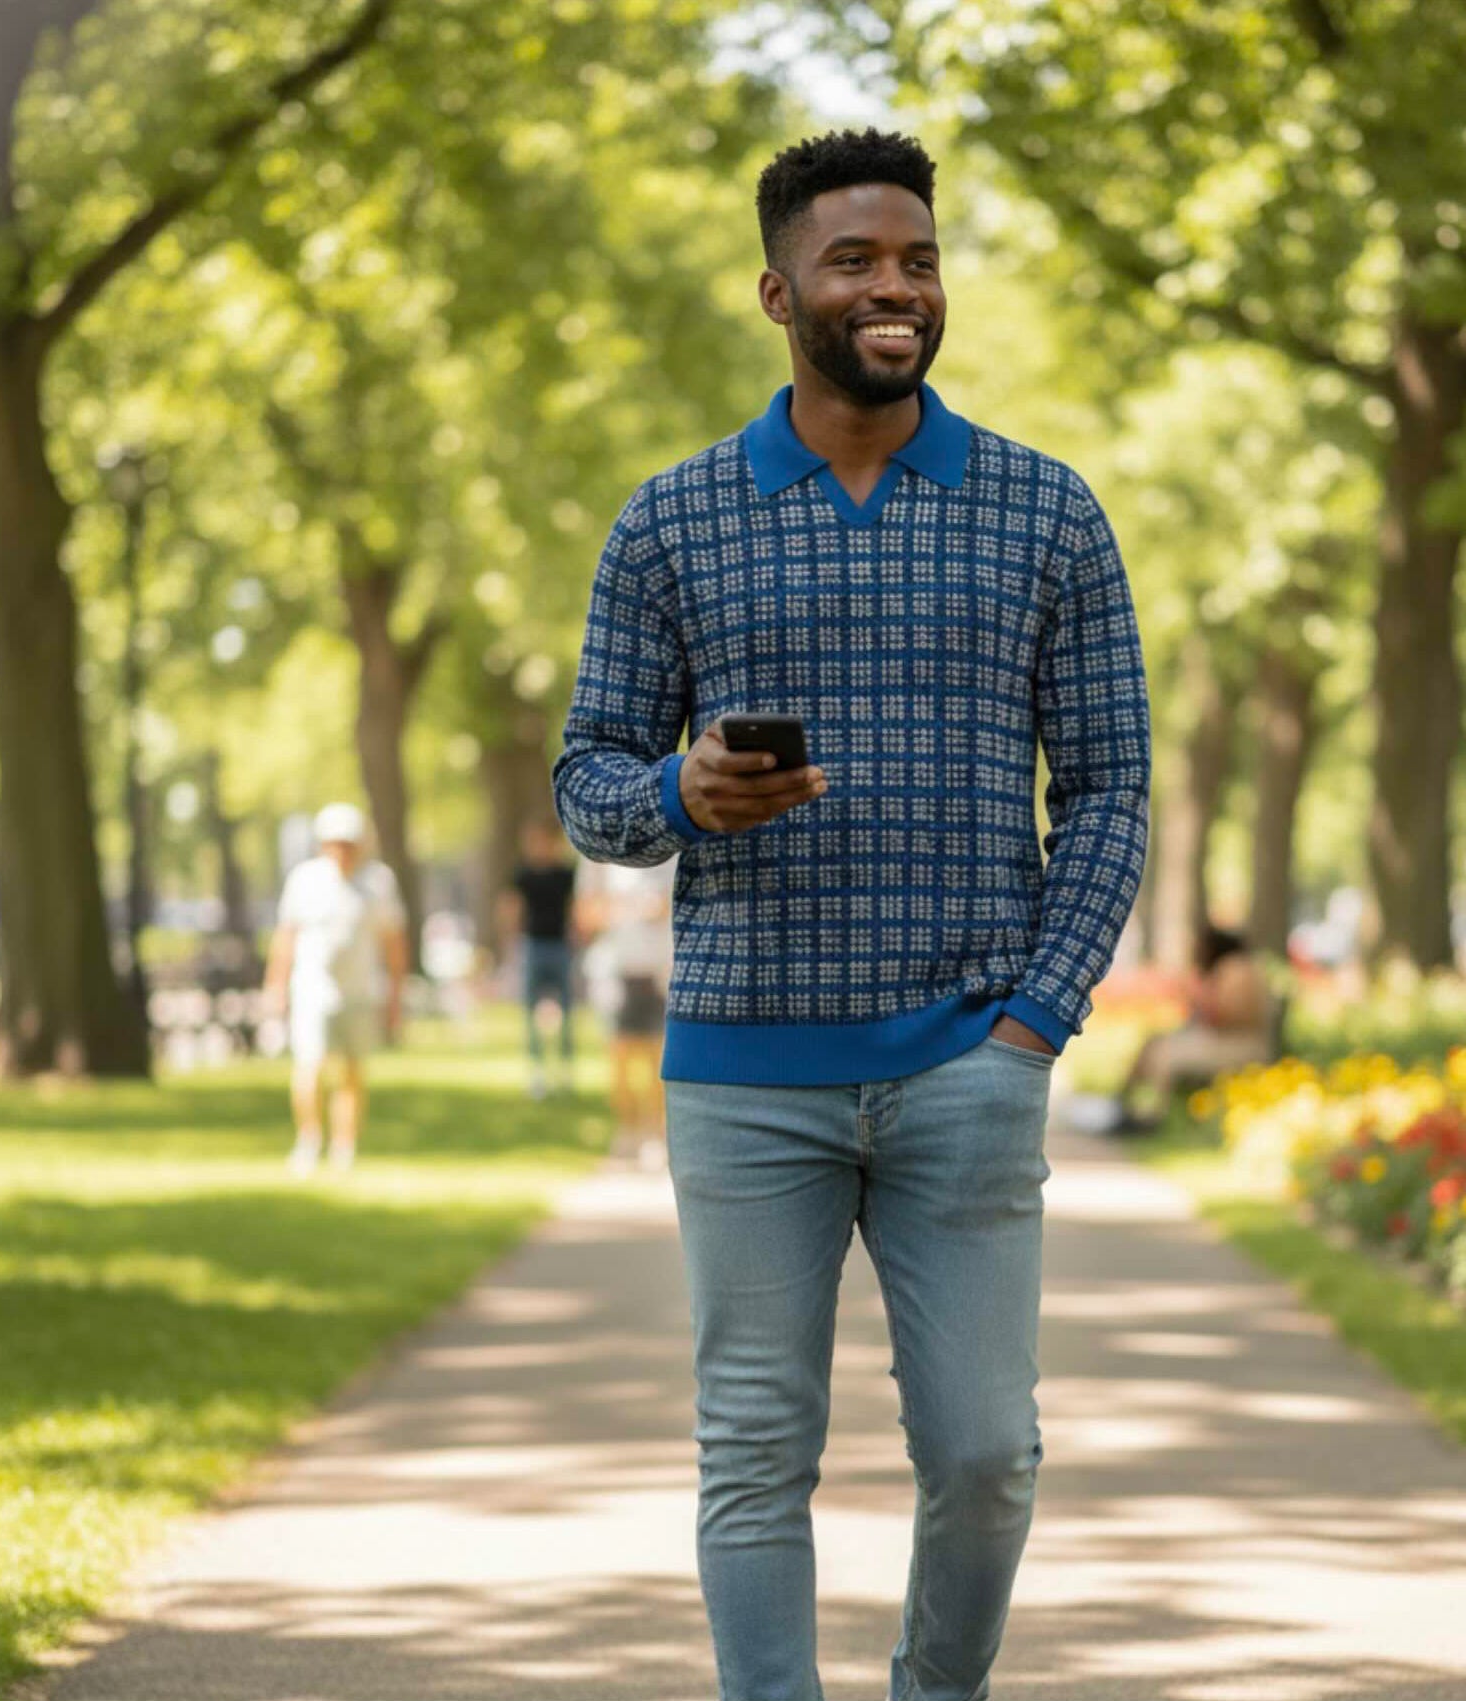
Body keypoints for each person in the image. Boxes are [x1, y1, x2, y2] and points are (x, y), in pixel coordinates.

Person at [552, 129, 1150, 1701]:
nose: (893, 288)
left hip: (969, 1057)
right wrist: (680, 795)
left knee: (982, 1451)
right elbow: (586, 781)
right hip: (744, 1070)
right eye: (854, 262)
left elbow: (1106, 790)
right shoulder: (668, 521)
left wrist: (1033, 1022)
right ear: (777, 290)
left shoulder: (1047, 512)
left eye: (917, 259)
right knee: (755, 1448)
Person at [262, 802, 407, 1177]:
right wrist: (275, 986)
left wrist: (395, 995)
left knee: (352, 1073)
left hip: (359, 991)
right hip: (312, 990)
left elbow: (393, 942)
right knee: (309, 1068)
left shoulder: (378, 882)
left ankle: (345, 1144)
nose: (341, 850)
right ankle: (309, 1139)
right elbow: (286, 937)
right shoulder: (304, 880)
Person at [1110, 923, 1274, 1133]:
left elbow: (1221, 1016)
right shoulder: (1237, 968)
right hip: (1227, 1041)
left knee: (1165, 1055)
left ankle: (1153, 1117)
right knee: (1153, 1043)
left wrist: (1197, 993)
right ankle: (1125, 1109)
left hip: (1238, 1046)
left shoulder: (1235, 970)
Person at [583, 858, 673, 1161]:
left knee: (657, 1060)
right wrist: (627, 909)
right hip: (617, 970)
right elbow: (586, 912)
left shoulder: (672, 849)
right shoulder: (603, 858)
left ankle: (656, 1133)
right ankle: (628, 1130)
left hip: (659, 970)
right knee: (619, 1058)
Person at [499, 816, 582, 1100]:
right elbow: (512, 908)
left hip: (560, 947)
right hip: (533, 946)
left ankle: (566, 1070)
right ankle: (537, 1072)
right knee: (531, 1012)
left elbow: (576, 908)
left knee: (567, 1012)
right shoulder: (522, 875)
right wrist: (511, 943)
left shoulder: (566, 874)